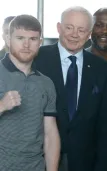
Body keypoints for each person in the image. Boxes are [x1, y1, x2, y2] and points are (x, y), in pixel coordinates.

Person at [35, 6, 107, 171]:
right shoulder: (37, 59)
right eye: (69, 27)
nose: (74, 34)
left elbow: (105, 128)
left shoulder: (103, 70)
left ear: (89, 34)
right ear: (59, 28)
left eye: (81, 30)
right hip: (39, 161)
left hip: (85, 163)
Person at [0, 14, 60, 171]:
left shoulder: (46, 83)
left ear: (40, 42)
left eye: (33, 39)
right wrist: (1, 105)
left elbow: (50, 134)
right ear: (7, 39)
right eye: (20, 38)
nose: (26, 45)